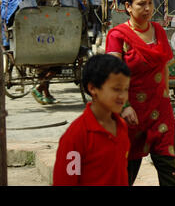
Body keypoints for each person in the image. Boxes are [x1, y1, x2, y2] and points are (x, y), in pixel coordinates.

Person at [105, 0, 175, 186]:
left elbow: (164, 68)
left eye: (150, 3)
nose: (148, 8)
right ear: (128, 7)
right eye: (141, 4)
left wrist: (165, 97)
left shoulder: (158, 30)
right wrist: (124, 106)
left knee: (169, 165)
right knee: (125, 168)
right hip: (131, 112)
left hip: (160, 110)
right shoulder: (117, 36)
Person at [53, 54, 131, 186]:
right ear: (93, 88)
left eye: (126, 89)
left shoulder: (121, 126)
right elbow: (65, 181)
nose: (123, 96)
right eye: (116, 89)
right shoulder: (76, 137)